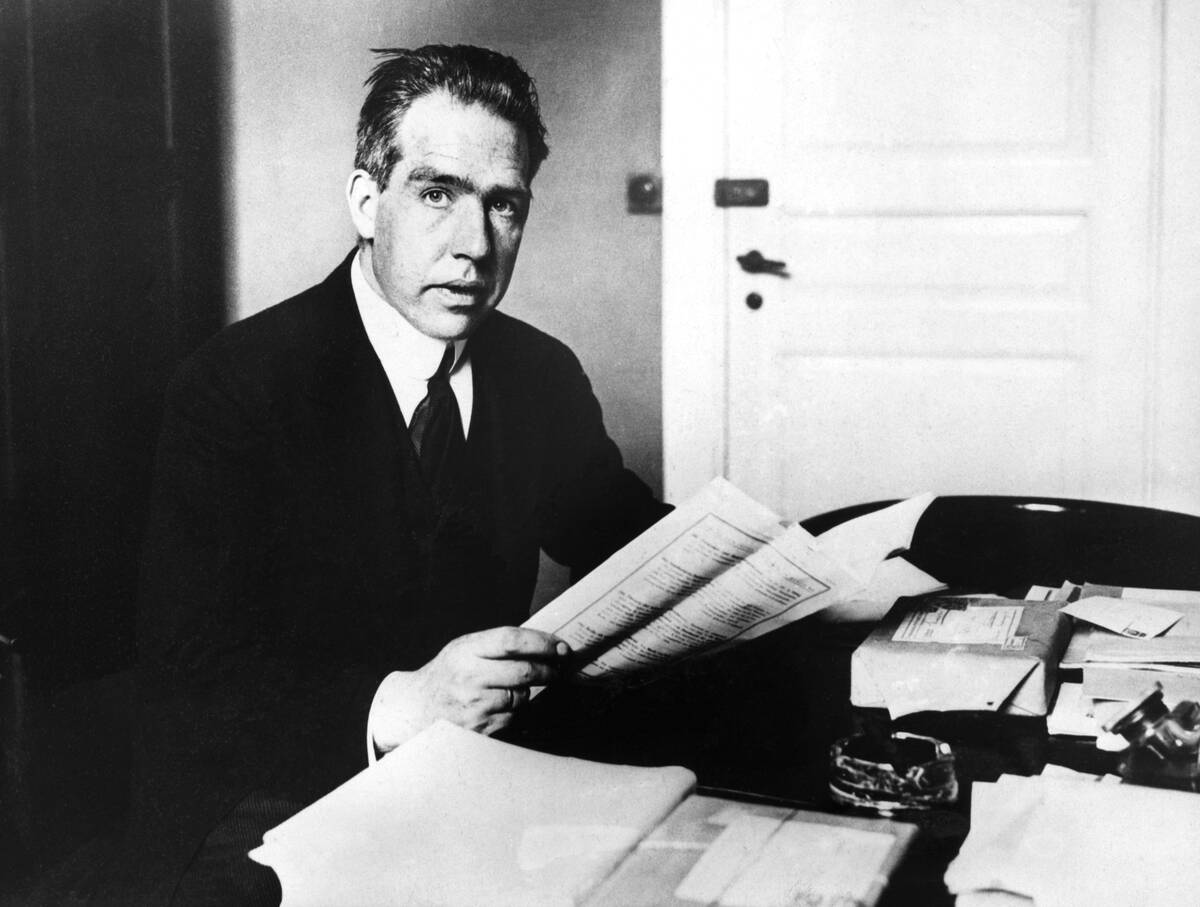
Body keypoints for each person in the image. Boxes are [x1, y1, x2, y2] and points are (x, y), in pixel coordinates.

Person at [98, 44, 668, 905]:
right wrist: (396, 703)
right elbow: (192, 677)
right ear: (367, 202)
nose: (474, 245)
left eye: (503, 206)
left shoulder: (539, 373)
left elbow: (627, 537)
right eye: (437, 193)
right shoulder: (235, 387)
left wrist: (796, 565)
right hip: (265, 801)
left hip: (473, 782)